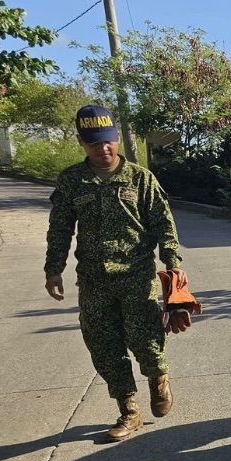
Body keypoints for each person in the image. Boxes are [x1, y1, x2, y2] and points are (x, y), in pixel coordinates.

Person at [44, 104, 183, 442]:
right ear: (81, 142)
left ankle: (157, 378)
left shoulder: (140, 179)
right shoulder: (72, 181)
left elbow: (164, 226)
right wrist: (54, 269)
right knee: (105, 347)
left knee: (146, 341)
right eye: (94, 144)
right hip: (93, 280)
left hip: (137, 276)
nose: (103, 149)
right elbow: (60, 228)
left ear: (117, 138)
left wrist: (174, 267)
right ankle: (129, 411)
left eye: (108, 142)